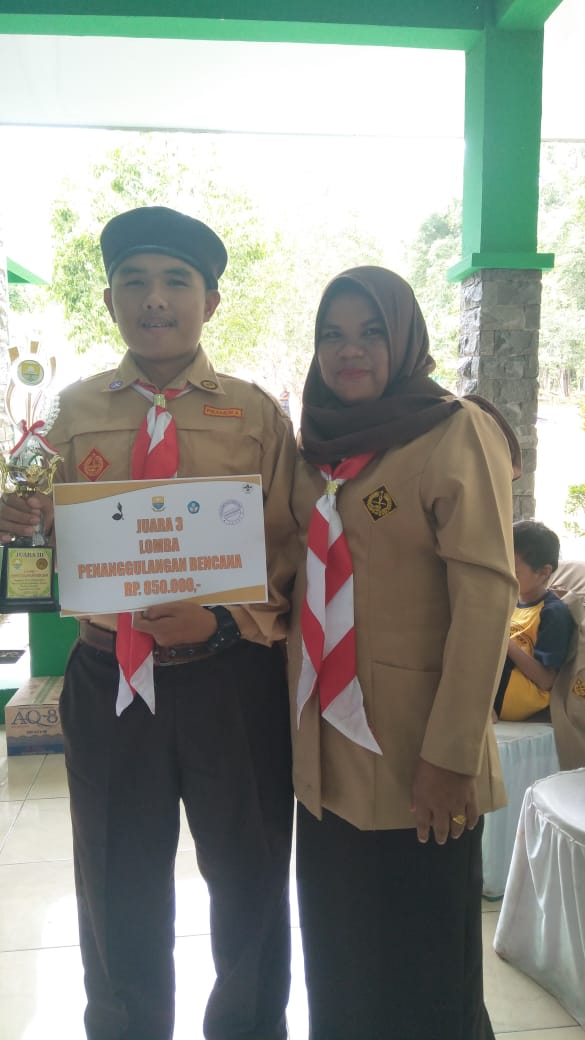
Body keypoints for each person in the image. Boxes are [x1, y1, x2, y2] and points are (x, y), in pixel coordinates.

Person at [0, 206, 298, 1040]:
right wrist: (20, 520)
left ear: (211, 301)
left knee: (248, 876)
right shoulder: (68, 412)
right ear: (109, 301)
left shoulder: (255, 415)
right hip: (110, 676)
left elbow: (291, 550)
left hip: (229, 679)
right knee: (116, 878)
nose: (154, 299)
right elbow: (35, 525)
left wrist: (225, 621)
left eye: (175, 282)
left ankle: (249, 1027)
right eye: (133, 282)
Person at [287, 266, 519, 1040]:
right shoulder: (313, 446)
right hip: (326, 757)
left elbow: (486, 597)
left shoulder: (453, 430)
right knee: (340, 961)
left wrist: (449, 756)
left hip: (418, 754)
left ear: (405, 339)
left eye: (370, 332)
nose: (348, 350)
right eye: (332, 334)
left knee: (427, 975)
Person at [493, 520, 575, 721]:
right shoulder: (510, 603)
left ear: (544, 572)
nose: (505, 576)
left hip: (515, 696)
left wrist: (503, 642)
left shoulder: (552, 613)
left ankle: (483, 709)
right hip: (498, 684)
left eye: (514, 571)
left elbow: (547, 680)